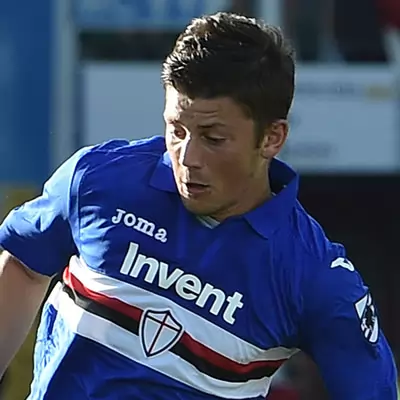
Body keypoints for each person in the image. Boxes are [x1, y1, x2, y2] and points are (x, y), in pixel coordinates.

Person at [0, 12, 397, 400]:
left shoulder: (313, 275)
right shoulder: (99, 180)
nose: (187, 157)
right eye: (177, 130)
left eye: (213, 138)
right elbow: (24, 263)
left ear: (272, 138)